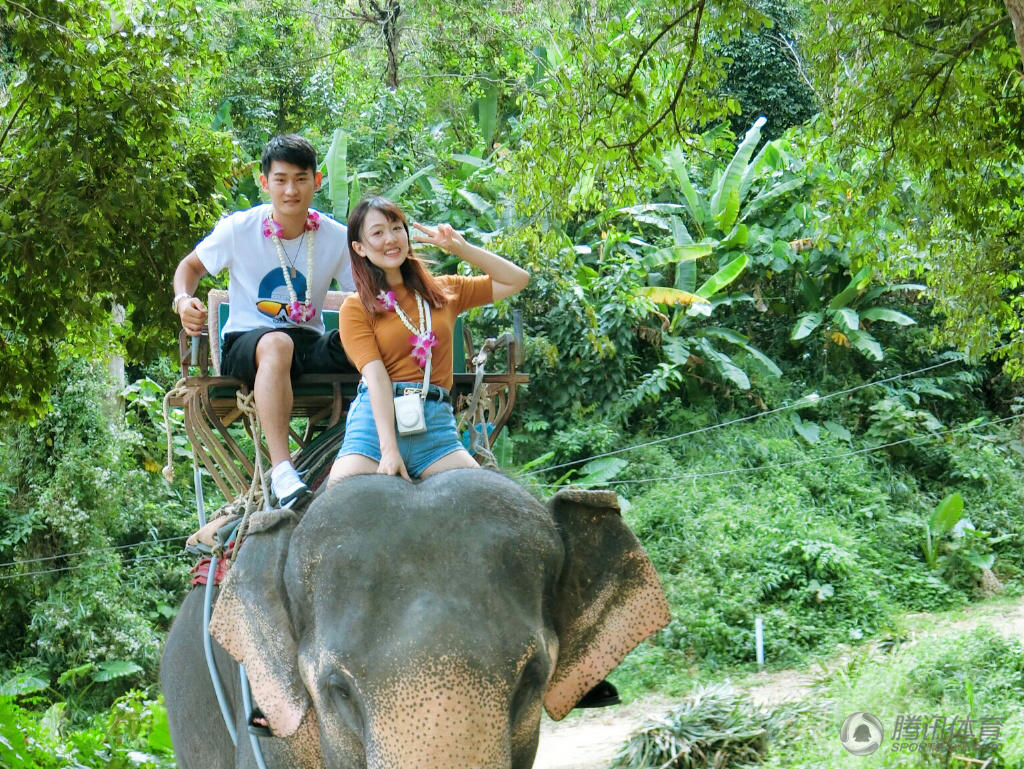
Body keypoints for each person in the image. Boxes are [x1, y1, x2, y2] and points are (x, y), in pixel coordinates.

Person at [173, 134, 356, 505]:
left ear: (317, 182)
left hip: (308, 344)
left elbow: (366, 293)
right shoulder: (239, 229)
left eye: (301, 179)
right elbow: (189, 268)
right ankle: (283, 472)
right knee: (277, 342)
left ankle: (390, 441)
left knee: (364, 338)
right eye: (281, 179)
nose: (291, 189)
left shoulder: (336, 237)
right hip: (247, 343)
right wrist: (182, 300)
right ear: (264, 182)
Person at [328, 196, 529, 483]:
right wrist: (388, 451)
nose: (391, 239)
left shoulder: (444, 291)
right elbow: (375, 377)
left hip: (434, 427)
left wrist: (462, 249)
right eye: (377, 232)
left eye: (397, 228)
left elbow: (516, 280)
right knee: (338, 496)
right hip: (374, 430)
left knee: (484, 497)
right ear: (359, 248)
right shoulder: (356, 307)